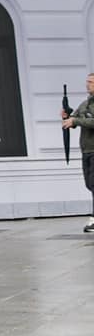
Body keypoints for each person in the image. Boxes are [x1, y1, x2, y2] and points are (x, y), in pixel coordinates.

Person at [66, 71, 94, 232]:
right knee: (89, 184)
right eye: (87, 81)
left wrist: (75, 120)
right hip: (87, 151)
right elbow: (74, 119)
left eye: (91, 82)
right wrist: (67, 117)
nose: (87, 84)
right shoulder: (85, 104)